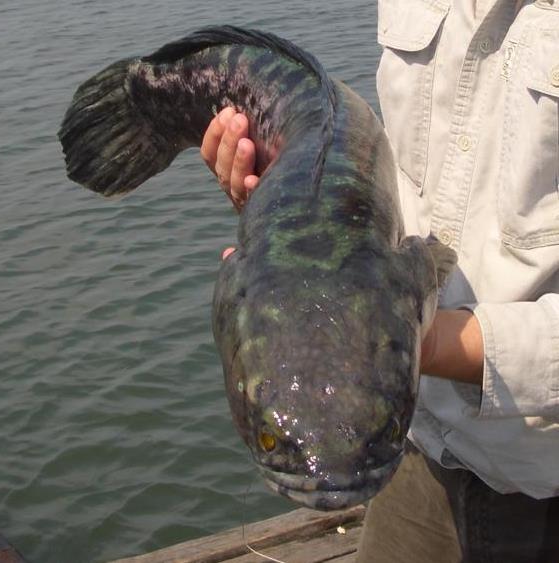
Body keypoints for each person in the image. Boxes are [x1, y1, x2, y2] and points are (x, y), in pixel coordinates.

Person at [200, 1, 559, 561]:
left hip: (540, 471)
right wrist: (288, 208)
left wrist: (424, 340)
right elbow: (406, 189)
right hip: (412, 445)